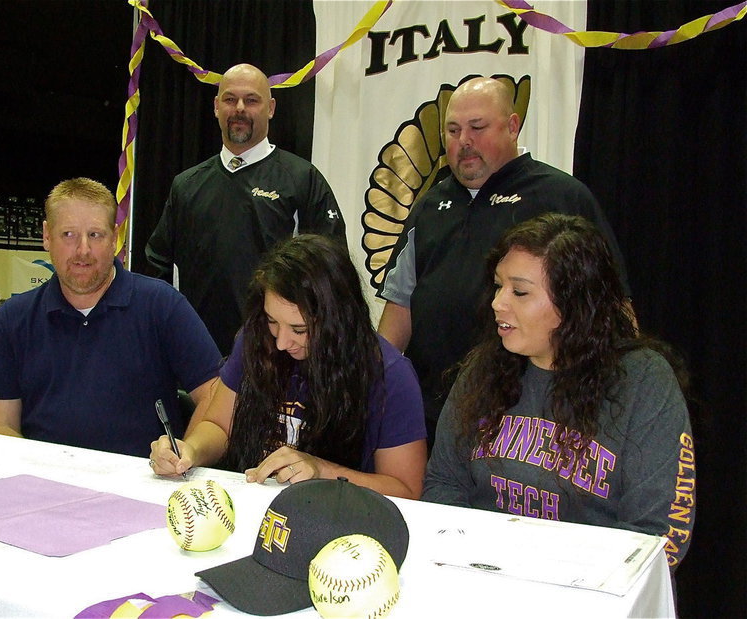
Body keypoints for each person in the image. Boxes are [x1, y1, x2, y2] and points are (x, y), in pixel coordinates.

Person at [422, 213, 694, 571]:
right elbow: (444, 485)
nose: (497, 303)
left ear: (573, 304)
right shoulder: (483, 370)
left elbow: (659, 535)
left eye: (519, 291)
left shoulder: (643, 381)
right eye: (498, 285)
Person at [377, 77, 632, 449]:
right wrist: (373, 377)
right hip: (431, 411)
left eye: (477, 128)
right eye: (452, 130)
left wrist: (627, 392)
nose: (464, 141)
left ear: (512, 126)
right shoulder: (430, 206)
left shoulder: (560, 196)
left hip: (529, 414)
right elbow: (400, 305)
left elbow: (615, 305)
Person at [150, 235, 427, 499]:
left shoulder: (390, 375)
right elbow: (219, 426)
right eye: (272, 321)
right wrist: (190, 451)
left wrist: (322, 470)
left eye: (299, 329)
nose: (282, 342)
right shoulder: (258, 339)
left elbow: (405, 490)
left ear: (338, 322)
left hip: (337, 520)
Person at [0, 178, 222, 458]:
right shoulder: (11, 319)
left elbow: (217, 399)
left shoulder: (163, 306)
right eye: (68, 234)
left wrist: (189, 450)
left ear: (115, 237)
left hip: (143, 488)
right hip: (45, 487)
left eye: (95, 235)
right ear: (46, 235)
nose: (83, 250)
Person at [146, 63, 347, 356]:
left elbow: (331, 271)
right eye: (230, 99)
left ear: (271, 108)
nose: (239, 108)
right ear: (216, 107)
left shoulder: (302, 179)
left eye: (252, 100)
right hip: (199, 360)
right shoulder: (186, 185)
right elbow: (158, 268)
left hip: (276, 357)